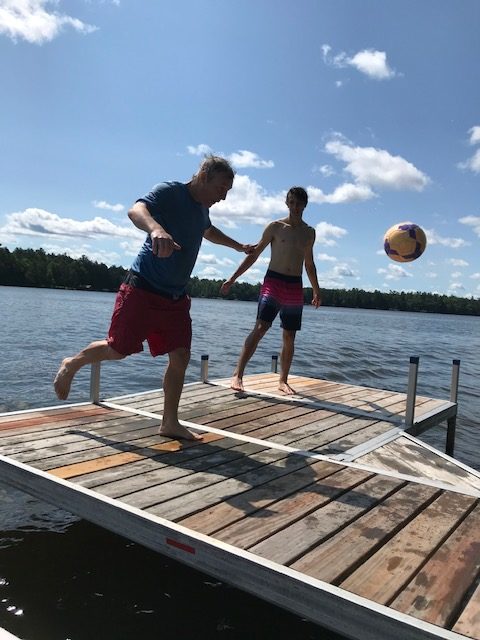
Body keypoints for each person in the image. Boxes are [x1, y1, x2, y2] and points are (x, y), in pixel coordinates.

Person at [54, 155, 253, 440]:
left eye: (228, 191)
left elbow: (207, 230)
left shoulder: (201, 210)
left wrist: (237, 246)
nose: (224, 196)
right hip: (143, 288)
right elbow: (136, 210)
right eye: (222, 187)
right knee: (118, 350)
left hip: (175, 297)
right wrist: (156, 229)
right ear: (205, 175)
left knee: (181, 356)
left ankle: (169, 422)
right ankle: (71, 364)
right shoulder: (171, 191)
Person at [220, 186, 321, 395]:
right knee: (261, 328)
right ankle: (238, 374)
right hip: (273, 281)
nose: (295, 207)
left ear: (305, 205)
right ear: (287, 203)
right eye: (292, 202)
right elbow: (254, 254)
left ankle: (283, 381)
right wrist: (232, 279)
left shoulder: (309, 232)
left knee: (289, 336)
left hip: (294, 284)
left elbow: (309, 264)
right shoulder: (275, 227)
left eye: (299, 203)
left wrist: (316, 290)